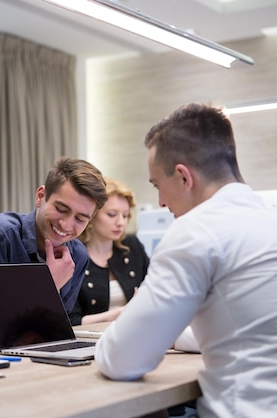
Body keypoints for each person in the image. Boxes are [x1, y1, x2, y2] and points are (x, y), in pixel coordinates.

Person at [95, 103, 277, 417]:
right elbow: (241, 329)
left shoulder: (195, 232)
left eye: (156, 185)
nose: (161, 202)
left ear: (183, 177)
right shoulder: (268, 219)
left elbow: (122, 359)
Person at [0, 157, 108, 341]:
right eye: (61, 208)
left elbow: (54, 328)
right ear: (40, 196)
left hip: (30, 351)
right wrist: (46, 286)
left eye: (80, 219)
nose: (66, 225)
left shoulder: (77, 255)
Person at [69, 177, 149, 326]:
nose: (121, 222)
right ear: (91, 215)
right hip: (90, 341)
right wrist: (120, 313)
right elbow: (71, 320)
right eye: (112, 214)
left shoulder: (132, 246)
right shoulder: (72, 256)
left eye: (125, 216)